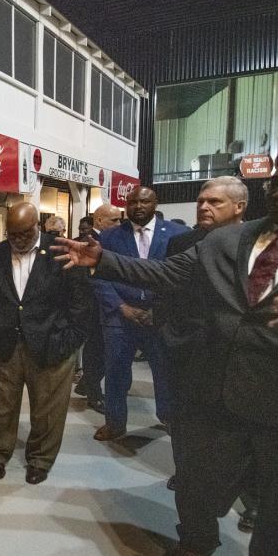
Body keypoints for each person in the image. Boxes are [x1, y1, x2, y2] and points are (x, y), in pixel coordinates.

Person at [52, 149, 278, 556]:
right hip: (213, 396)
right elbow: (167, 274)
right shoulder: (228, 240)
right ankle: (194, 543)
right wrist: (101, 260)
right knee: (198, 481)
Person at [159, 177, 258, 529]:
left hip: (244, 364)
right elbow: (166, 288)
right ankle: (194, 531)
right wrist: (169, 333)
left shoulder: (262, 245)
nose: (204, 207)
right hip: (191, 358)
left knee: (245, 440)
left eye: (214, 201)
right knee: (189, 437)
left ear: (239, 207)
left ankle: (252, 501)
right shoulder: (183, 243)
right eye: (201, 200)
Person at [0, 203, 91, 484]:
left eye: (25, 233)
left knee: (48, 409)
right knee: (2, 406)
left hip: (52, 346)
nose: (18, 240)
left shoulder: (61, 252)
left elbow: (81, 301)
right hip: (4, 345)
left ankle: (40, 459)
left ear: (38, 225)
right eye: (12, 234)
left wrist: (71, 340)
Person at [91, 187, 186, 441]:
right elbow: (98, 277)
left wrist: (160, 310)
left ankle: (167, 417)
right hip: (119, 316)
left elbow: (183, 278)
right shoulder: (110, 237)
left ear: (156, 203)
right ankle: (115, 422)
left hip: (160, 317)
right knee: (115, 372)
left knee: (165, 372)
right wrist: (121, 307)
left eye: (144, 201)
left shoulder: (178, 234)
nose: (138, 206)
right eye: (132, 202)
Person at [75, 204, 121, 413]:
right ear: (99, 220)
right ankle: (94, 393)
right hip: (93, 306)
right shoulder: (88, 243)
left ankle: (87, 384)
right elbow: (85, 279)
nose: (119, 224)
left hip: (106, 305)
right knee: (96, 351)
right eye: (114, 220)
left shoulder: (112, 241)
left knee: (101, 351)